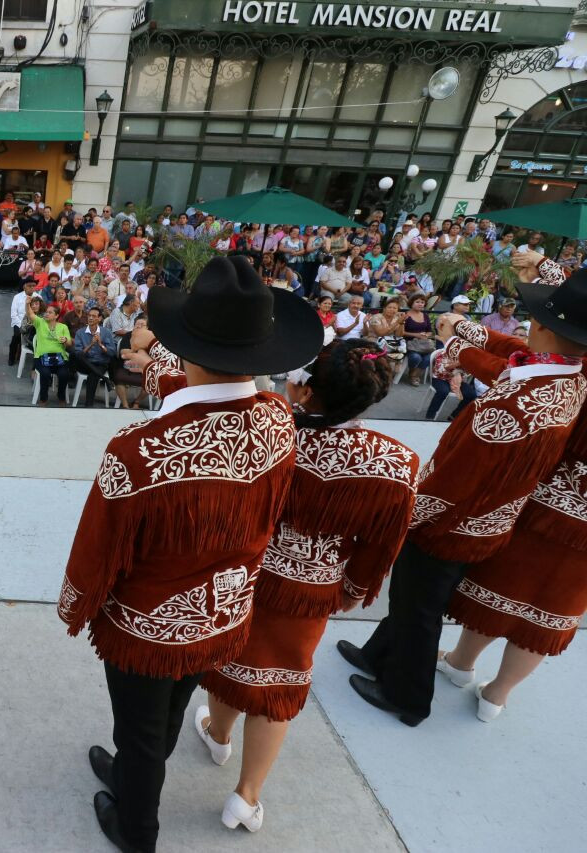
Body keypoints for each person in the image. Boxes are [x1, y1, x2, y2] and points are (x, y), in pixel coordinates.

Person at [60, 255, 322, 853]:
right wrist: (157, 365)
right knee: (167, 713)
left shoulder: (138, 448)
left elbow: (95, 550)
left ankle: (136, 828)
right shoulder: (280, 419)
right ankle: (134, 770)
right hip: (227, 610)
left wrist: (77, 604)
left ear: (188, 353)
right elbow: (205, 396)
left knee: (143, 726)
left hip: (148, 624)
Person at [341, 269, 587, 725]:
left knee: (418, 606)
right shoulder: (569, 379)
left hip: (451, 524)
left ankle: (407, 697)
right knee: (414, 600)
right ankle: (378, 656)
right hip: (489, 520)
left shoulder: (518, 400)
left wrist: (404, 515)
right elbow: (510, 360)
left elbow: (457, 480)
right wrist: (466, 343)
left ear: (545, 328)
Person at [196, 339, 418, 832]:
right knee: (280, 683)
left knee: (230, 656)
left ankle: (219, 733)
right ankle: (246, 796)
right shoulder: (395, 463)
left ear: (306, 387)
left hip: (245, 571)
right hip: (311, 590)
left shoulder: (270, 432)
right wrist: (349, 588)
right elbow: (380, 548)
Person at [435, 316, 587, 721]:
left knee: (504, 584)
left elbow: (525, 362)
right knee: (551, 608)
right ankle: (497, 696)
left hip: (549, 504)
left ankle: (460, 664)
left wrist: (459, 343)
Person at [28, 299, 72, 406]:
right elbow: (30, 314)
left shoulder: (63, 327)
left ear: (56, 316)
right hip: (41, 357)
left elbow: (69, 343)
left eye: (50, 312)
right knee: (45, 373)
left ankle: (61, 396)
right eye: (46, 312)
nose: (46, 314)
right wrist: (27, 304)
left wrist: (65, 340)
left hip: (60, 358)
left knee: (64, 374)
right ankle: (43, 398)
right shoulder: (40, 323)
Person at [71, 306, 115, 407]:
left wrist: (100, 344)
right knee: (77, 355)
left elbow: (111, 352)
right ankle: (105, 379)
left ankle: (89, 404)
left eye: (94, 316)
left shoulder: (106, 332)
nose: (90, 318)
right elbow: (79, 354)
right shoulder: (80, 332)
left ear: (99, 318)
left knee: (93, 376)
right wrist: (91, 344)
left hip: (100, 363)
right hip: (84, 363)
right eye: (89, 315)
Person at [401, 294, 433, 386]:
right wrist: (416, 335)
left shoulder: (425, 316)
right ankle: (412, 373)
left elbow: (430, 331)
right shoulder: (406, 315)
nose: (420, 304)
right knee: (416, 357)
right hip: (409, 343)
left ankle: (414, 375)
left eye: (422, 302)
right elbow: (402, 332)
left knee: (429, 357)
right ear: (412, 303)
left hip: (423, 343)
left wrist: (426, 335)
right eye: (417, 302)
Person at [9, 278, 37, 366]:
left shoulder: (38, 297)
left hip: (34, 322)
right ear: (24, 287)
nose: (32, 288)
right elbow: (14, 314)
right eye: (29, 286)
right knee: (17, 336)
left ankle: (36, 358)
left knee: (38, 336)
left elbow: (41, 312)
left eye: (33, 286)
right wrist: (22, 325)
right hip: (19, 322)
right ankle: (11, 357)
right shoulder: (17, 297)